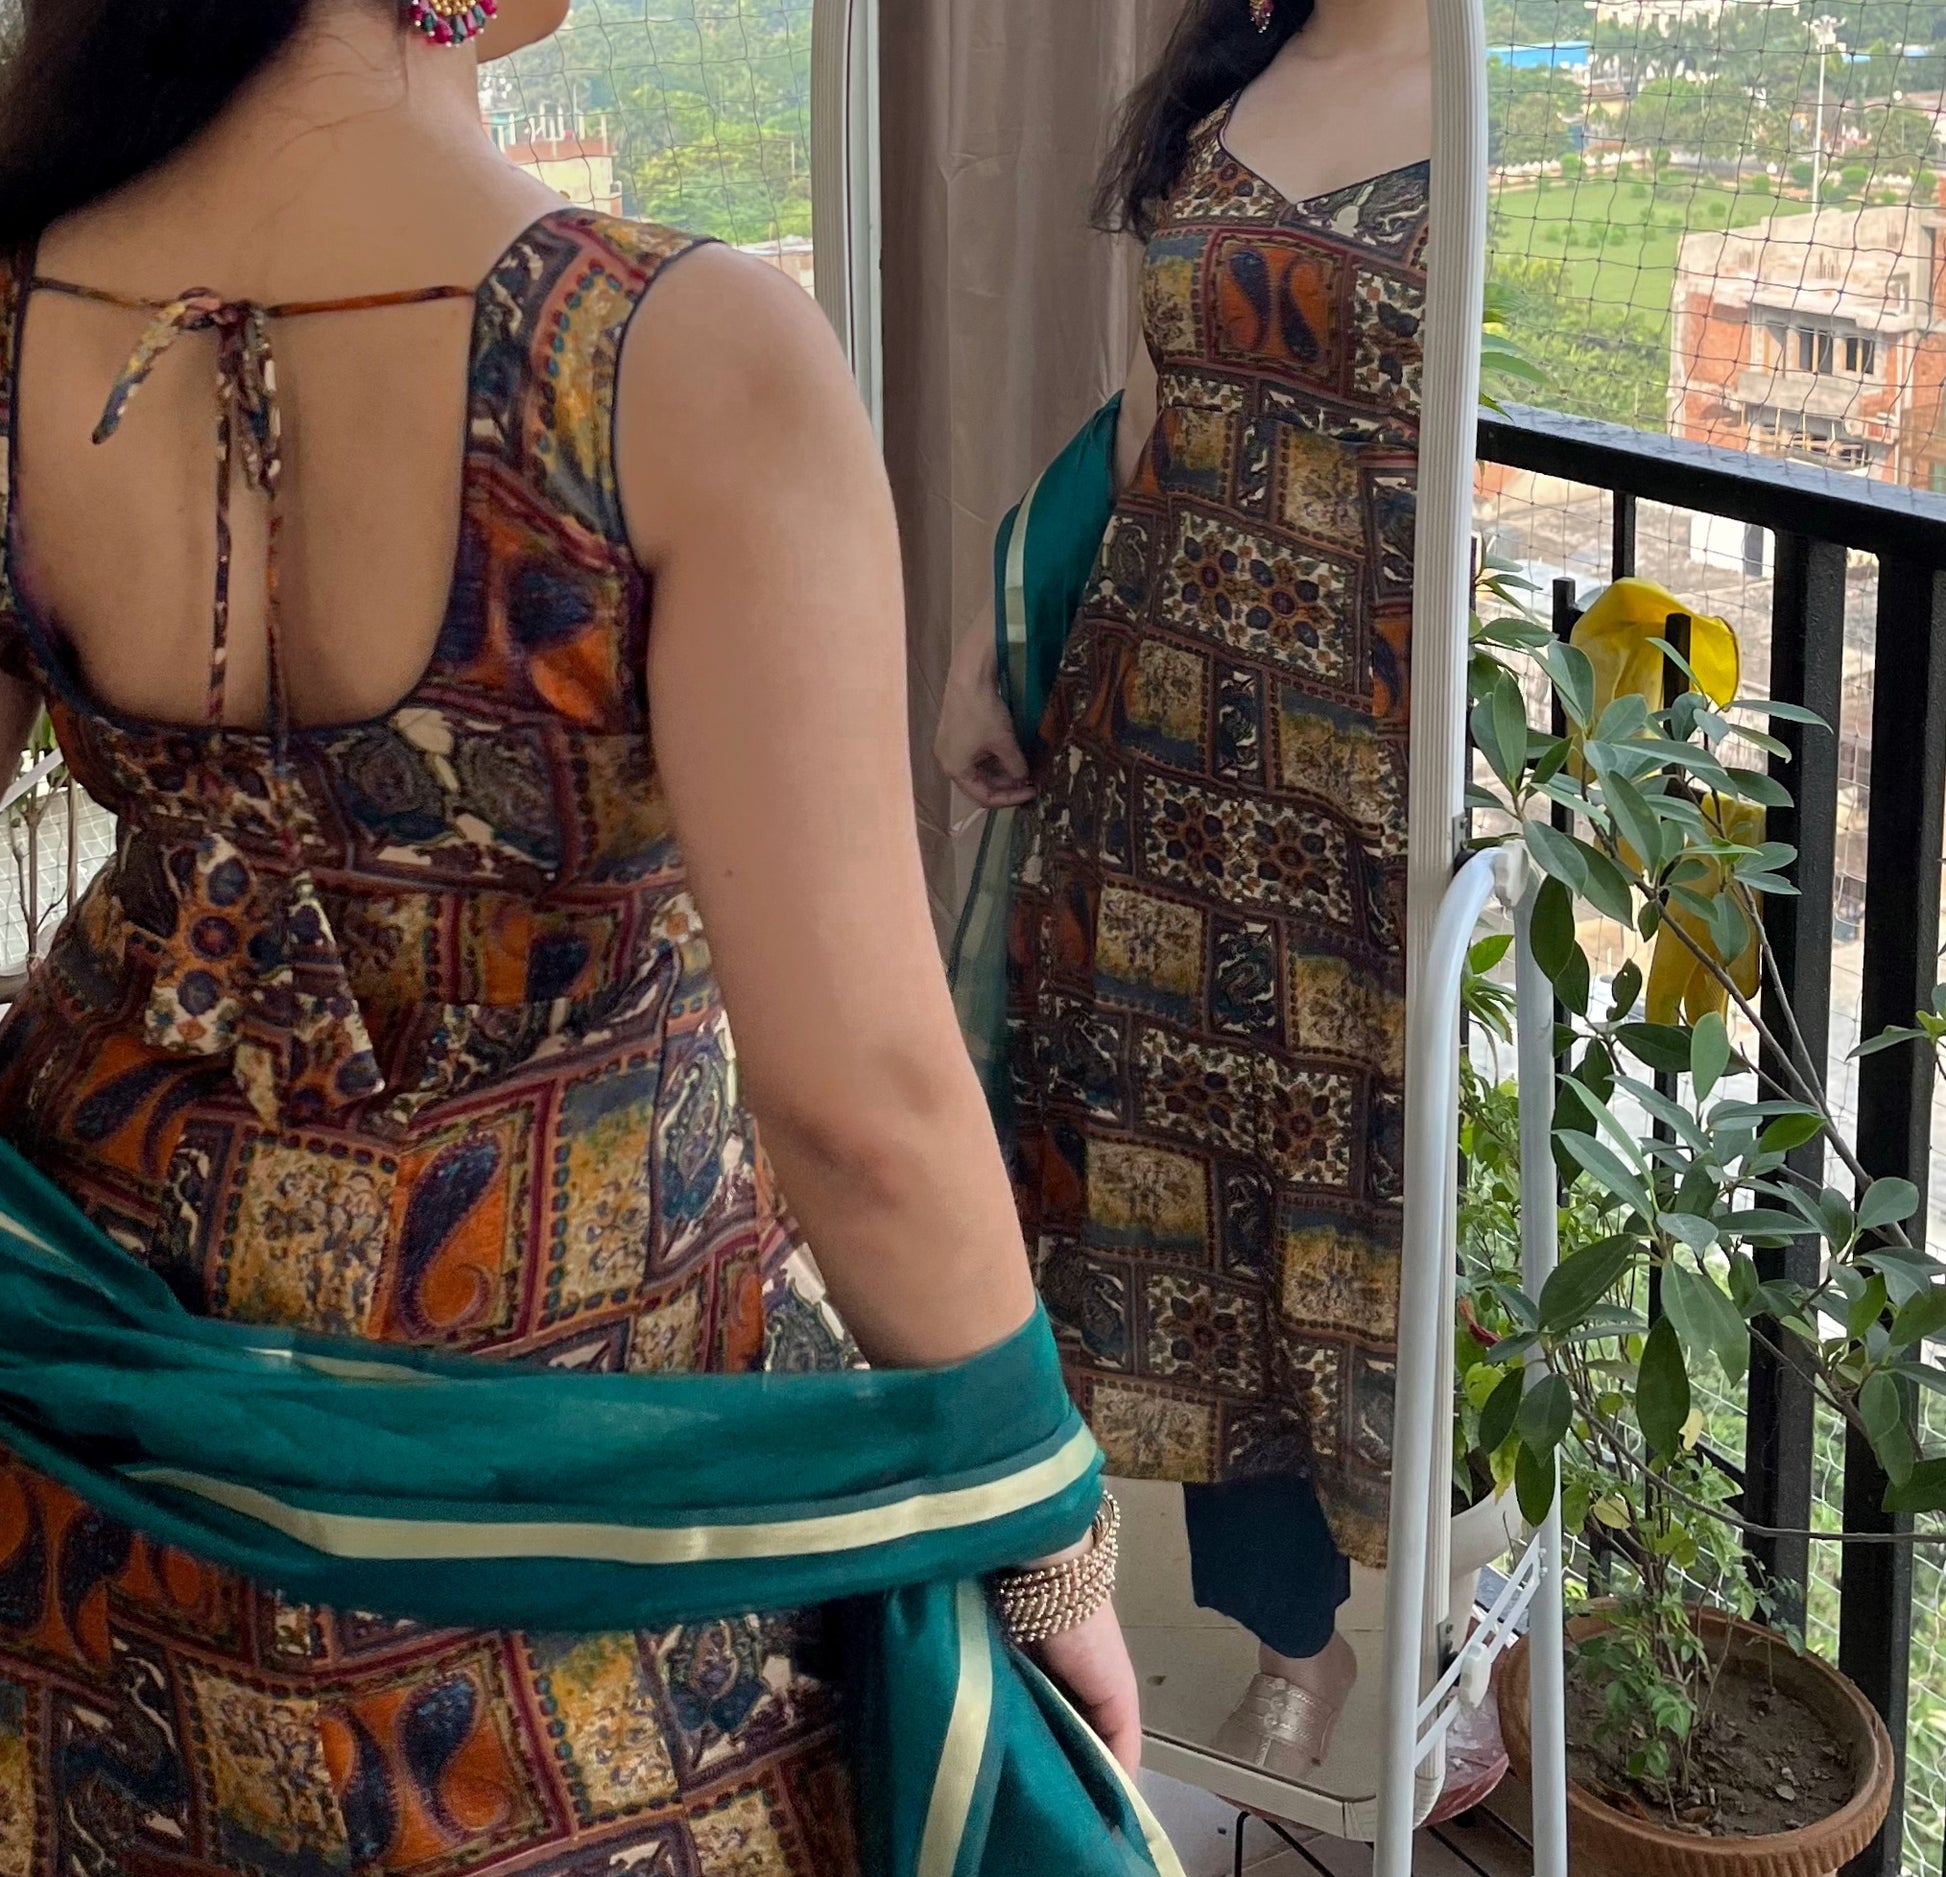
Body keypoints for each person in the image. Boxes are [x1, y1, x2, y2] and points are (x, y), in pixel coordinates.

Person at [0, 2, 1148, 1871]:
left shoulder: (21, 297)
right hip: (578, 1493)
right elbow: (859, 1098)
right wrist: (1047, 1533)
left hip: (105, 1448)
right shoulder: (676, 355)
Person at [936, 0, 1433, 1776]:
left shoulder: (1484, 108)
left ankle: (1443, 1628)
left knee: (1352, 1200)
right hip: (1145, 759)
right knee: (1174, 1205)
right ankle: (1254, 1635)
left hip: (1354, 782)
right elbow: (1145, 419)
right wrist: (990, 650)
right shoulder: (1223, 78)